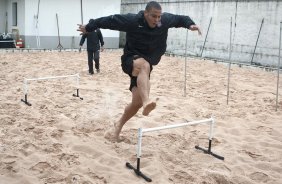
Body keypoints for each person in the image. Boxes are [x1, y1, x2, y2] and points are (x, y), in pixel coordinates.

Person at [77, 1, 201, 141]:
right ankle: (147, 100)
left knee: (137, 102)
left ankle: (117, 126)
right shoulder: (133, 20)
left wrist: (190, 24)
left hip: (146, 65)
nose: (157, 20)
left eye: (159, 16)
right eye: (154, 16)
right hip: (130, 59)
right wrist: (89, 26)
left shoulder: (163, 21)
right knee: (144, 66)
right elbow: (109, 21)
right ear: (145, 13)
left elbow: (180, 19)